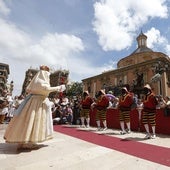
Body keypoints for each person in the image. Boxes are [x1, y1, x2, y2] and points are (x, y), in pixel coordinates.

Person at [4, 65, 66, 150]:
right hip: (37, 102)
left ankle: (23, 140)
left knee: (27, 121)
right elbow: (45, 88)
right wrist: (59, 87)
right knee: (33, 121)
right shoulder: (40, 82)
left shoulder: (36, 80)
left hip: (34, 101)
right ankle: (28, 141)